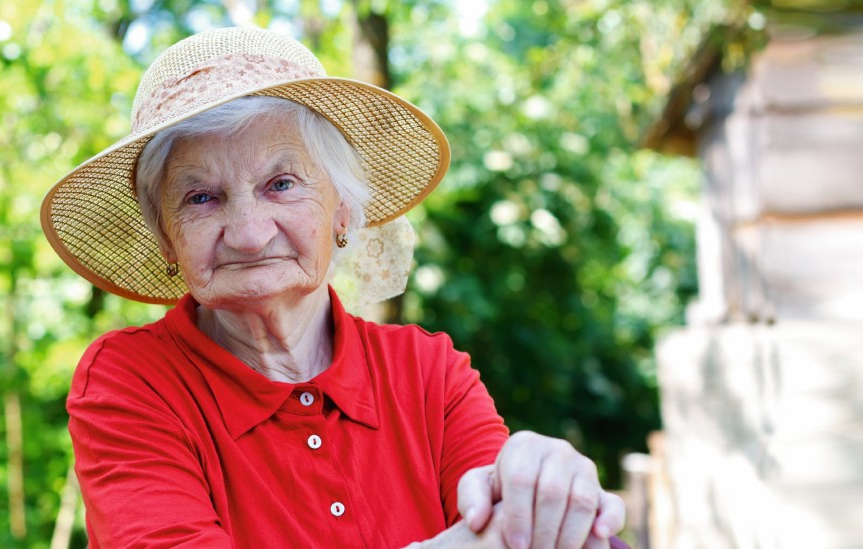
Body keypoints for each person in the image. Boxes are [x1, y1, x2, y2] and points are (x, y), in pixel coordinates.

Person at [41, 27, 627, 548]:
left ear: (342, 209)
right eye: (201, 197)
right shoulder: (130, 381)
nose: (248, 234)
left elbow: (519, 525)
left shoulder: (429, 371)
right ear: (166, 239)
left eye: (281, 183)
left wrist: (544, 498)